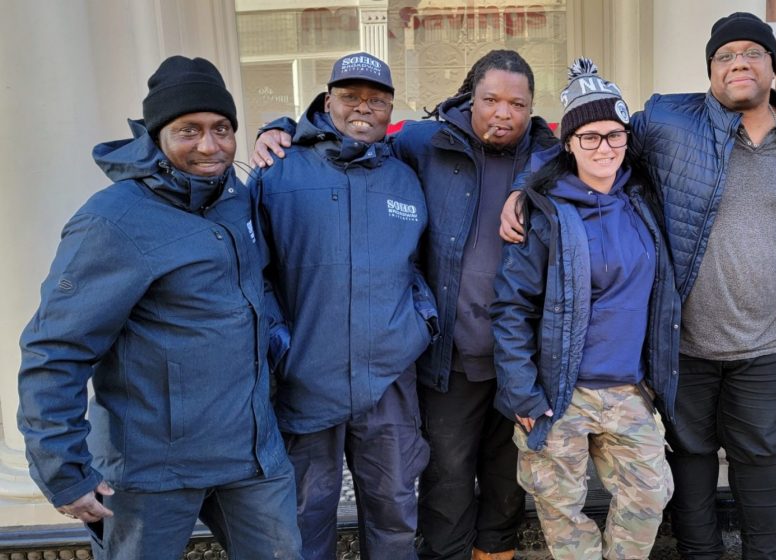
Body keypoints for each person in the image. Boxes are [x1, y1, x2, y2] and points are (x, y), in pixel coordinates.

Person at [502, 13, 776, 559]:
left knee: (749, 461)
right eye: (724, 55)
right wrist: (523, 189)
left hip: (753, 345)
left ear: (774, 63)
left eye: (752, 52)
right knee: (682, 461)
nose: (738, 62)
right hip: (668, 349)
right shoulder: (667, 125)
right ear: (709, 69)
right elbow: (579, 138)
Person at [252, 49, 559, 560]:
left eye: (517, 103)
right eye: (490, 99)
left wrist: (530, 182)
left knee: (490, 484)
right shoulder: (417, 144)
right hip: (414, 362)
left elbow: (572, 143)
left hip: (498, 357)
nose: (503, 112)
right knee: (433, 481)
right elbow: (256, 270)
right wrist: (277, 128)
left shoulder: (535, 156)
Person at [16, 56, 302, 560]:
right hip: (151, 468)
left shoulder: (236, 198)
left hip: (253, 456)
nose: (209, 145)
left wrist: (284, 128)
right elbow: (54, 349)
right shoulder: (113, 221)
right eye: (188, 130)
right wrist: (62, 470)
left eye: (222, 129)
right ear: (157, 135)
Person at [249, 51, 436, 560]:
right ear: (326, 99)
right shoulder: (278, 170)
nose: (363, 108)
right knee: (306, 515)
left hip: (389, 379)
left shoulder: (404, 176)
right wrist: (282, 344)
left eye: (377, 99)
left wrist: (421, 322)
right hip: (307, 378)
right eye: (350, 96)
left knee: (394, 510)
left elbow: (419, 263)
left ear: (390, 107)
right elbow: (253, 274)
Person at [490, 58, 676, 560]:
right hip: (560, 392)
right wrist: (523, 395)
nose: (604, 148)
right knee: (560, 504)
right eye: (589, 137)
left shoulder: (641, 199)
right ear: (568, 143)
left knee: (650, 493)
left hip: (628, 387)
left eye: (614, 135)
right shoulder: (547, 211)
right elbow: (511, 306)